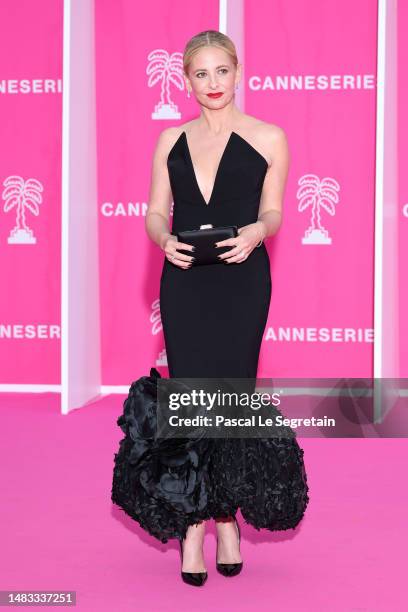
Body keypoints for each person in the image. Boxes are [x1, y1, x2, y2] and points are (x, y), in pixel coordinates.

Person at [112, 29, 309, 587]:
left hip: (243, 279)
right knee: (192, 395)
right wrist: (162, 240)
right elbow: (154, 212)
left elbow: (274, 214)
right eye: (201, 74)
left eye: (221, 71)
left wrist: (255, 233)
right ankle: (193, 525)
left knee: (232, 396)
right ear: (186, 81)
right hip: (185, 282)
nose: (213, 83)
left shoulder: (269, 137)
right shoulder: (169, 139)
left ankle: (228, 519)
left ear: (238, 72)